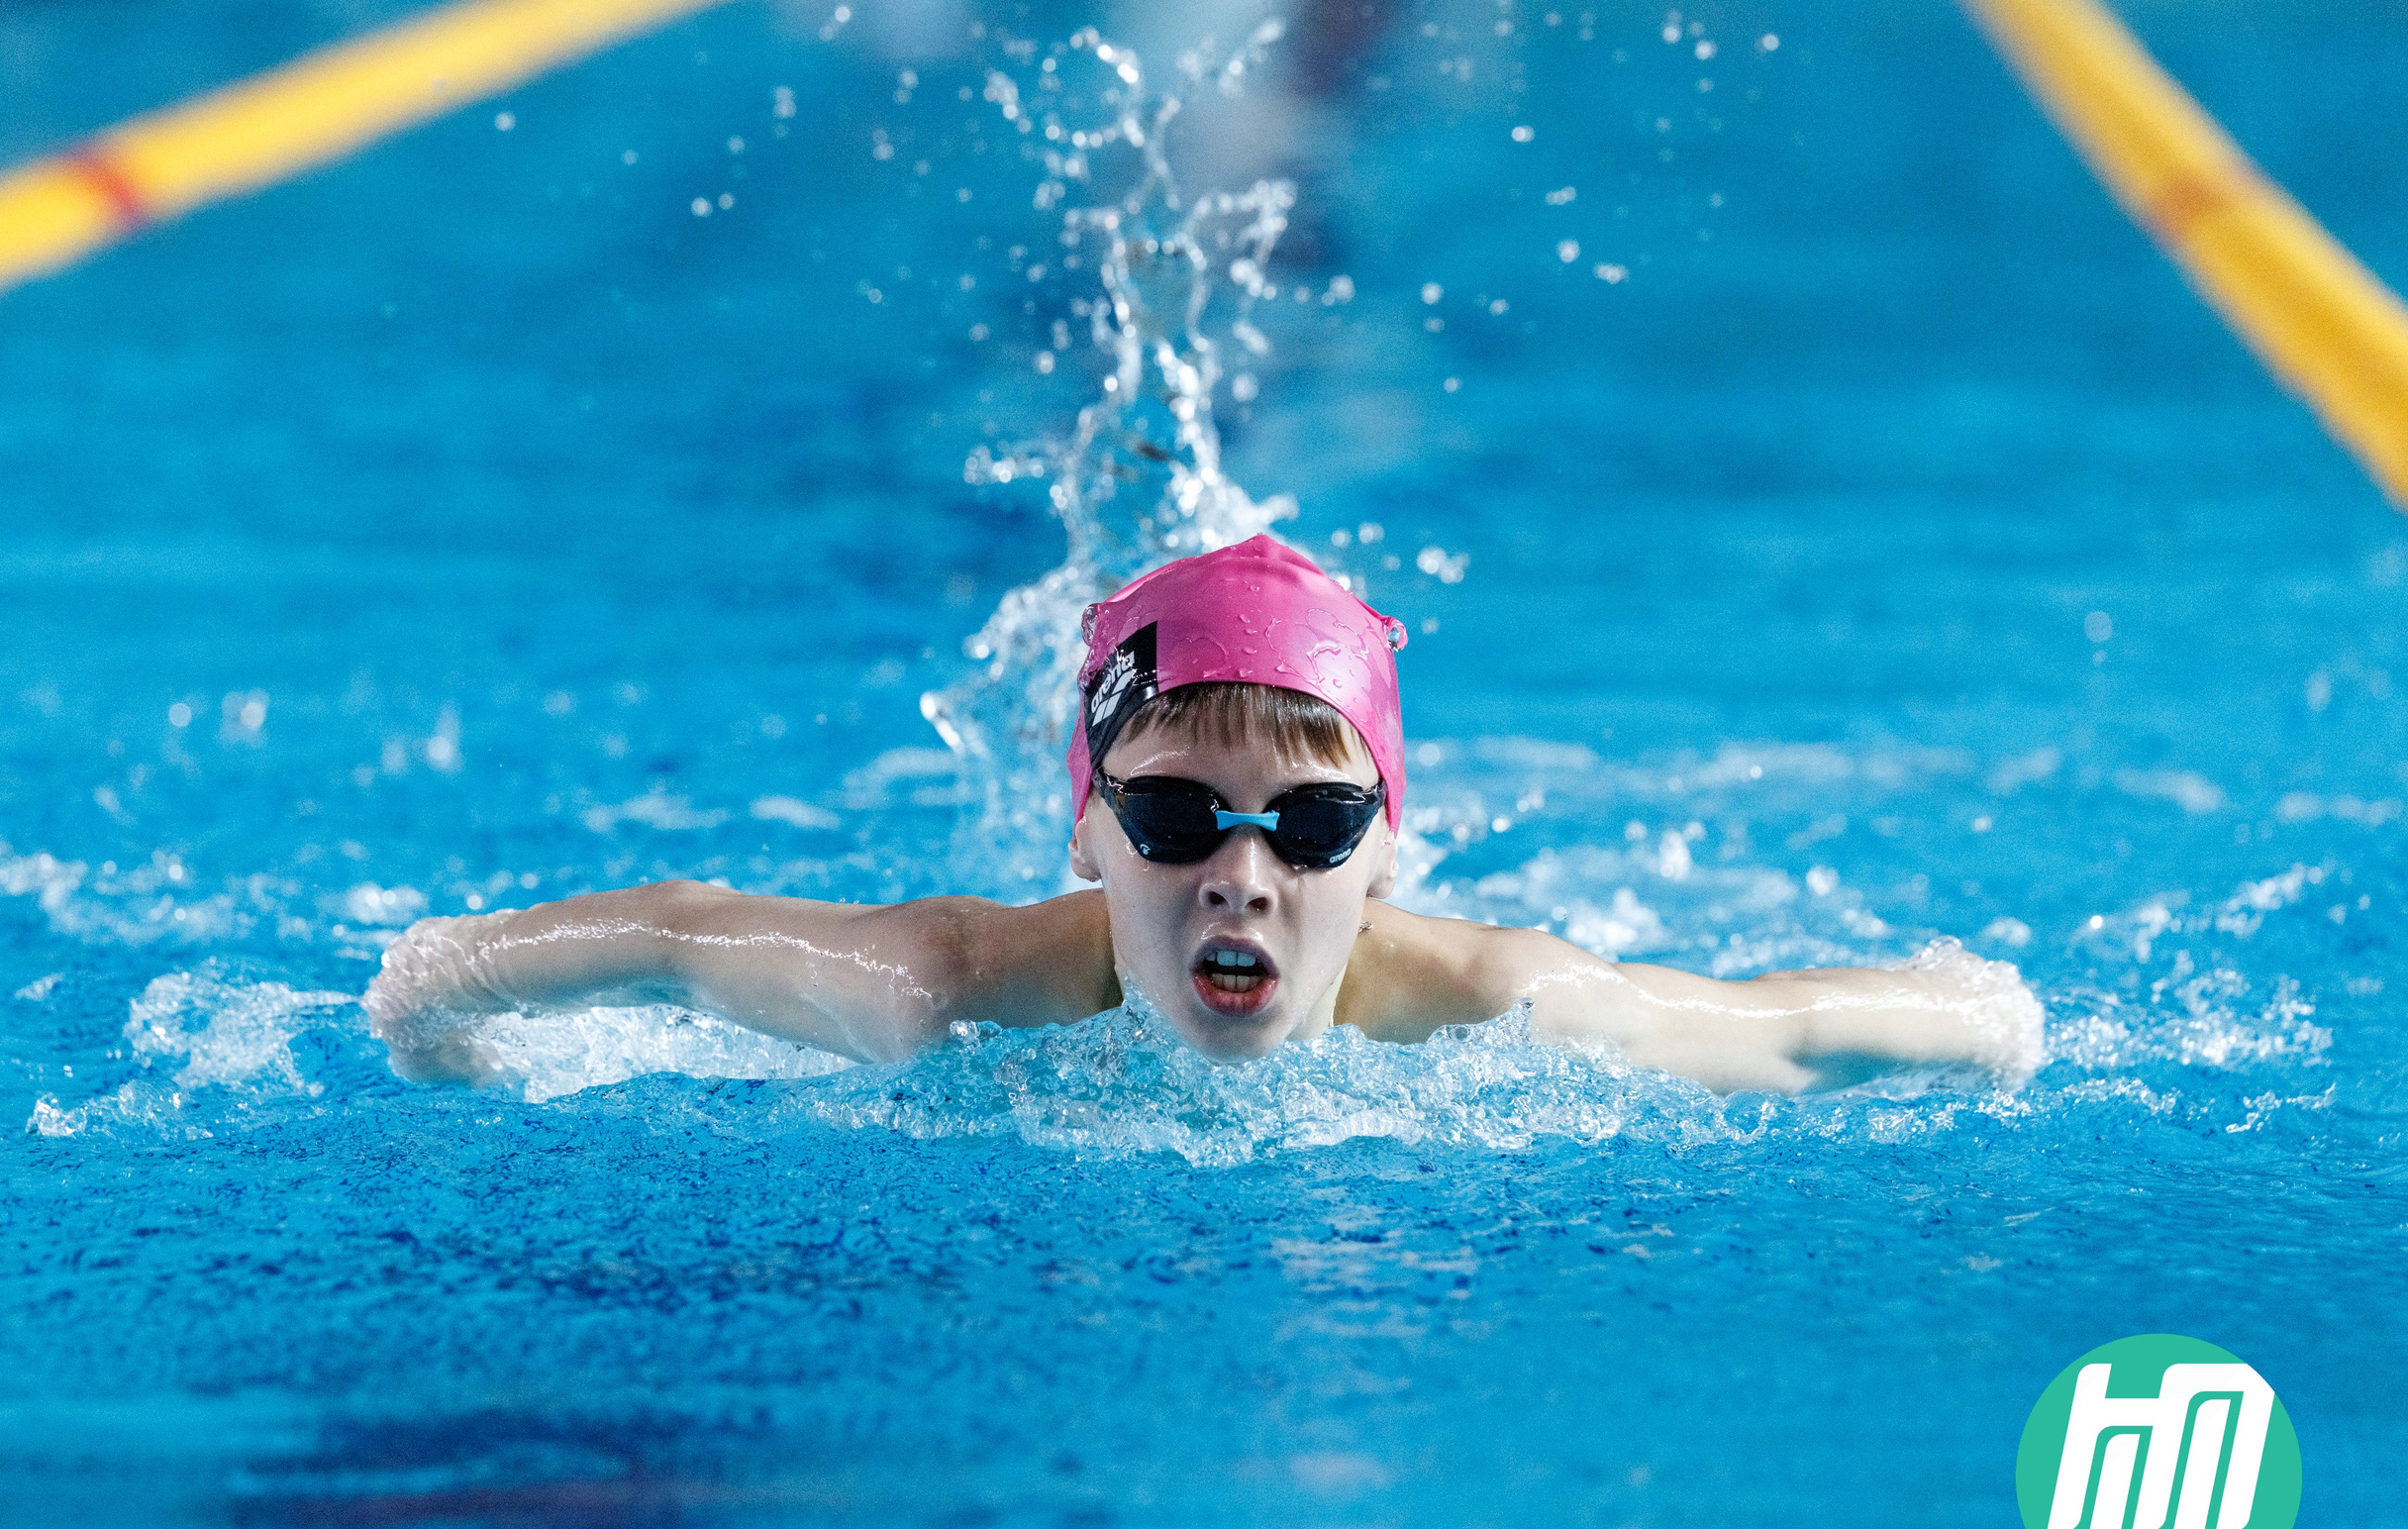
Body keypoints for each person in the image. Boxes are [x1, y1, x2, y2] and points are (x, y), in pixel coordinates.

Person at [365, 536, 2043, 1094]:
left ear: (1391, 848)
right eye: (1175, 816)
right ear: (1085, 829)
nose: (1242, 876)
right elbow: (672, 935)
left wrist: (1985, 1016)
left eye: (1310, 830)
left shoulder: (1497, 1006)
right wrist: (442, 994)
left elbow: (1786, 1031)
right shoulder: (942, 988)